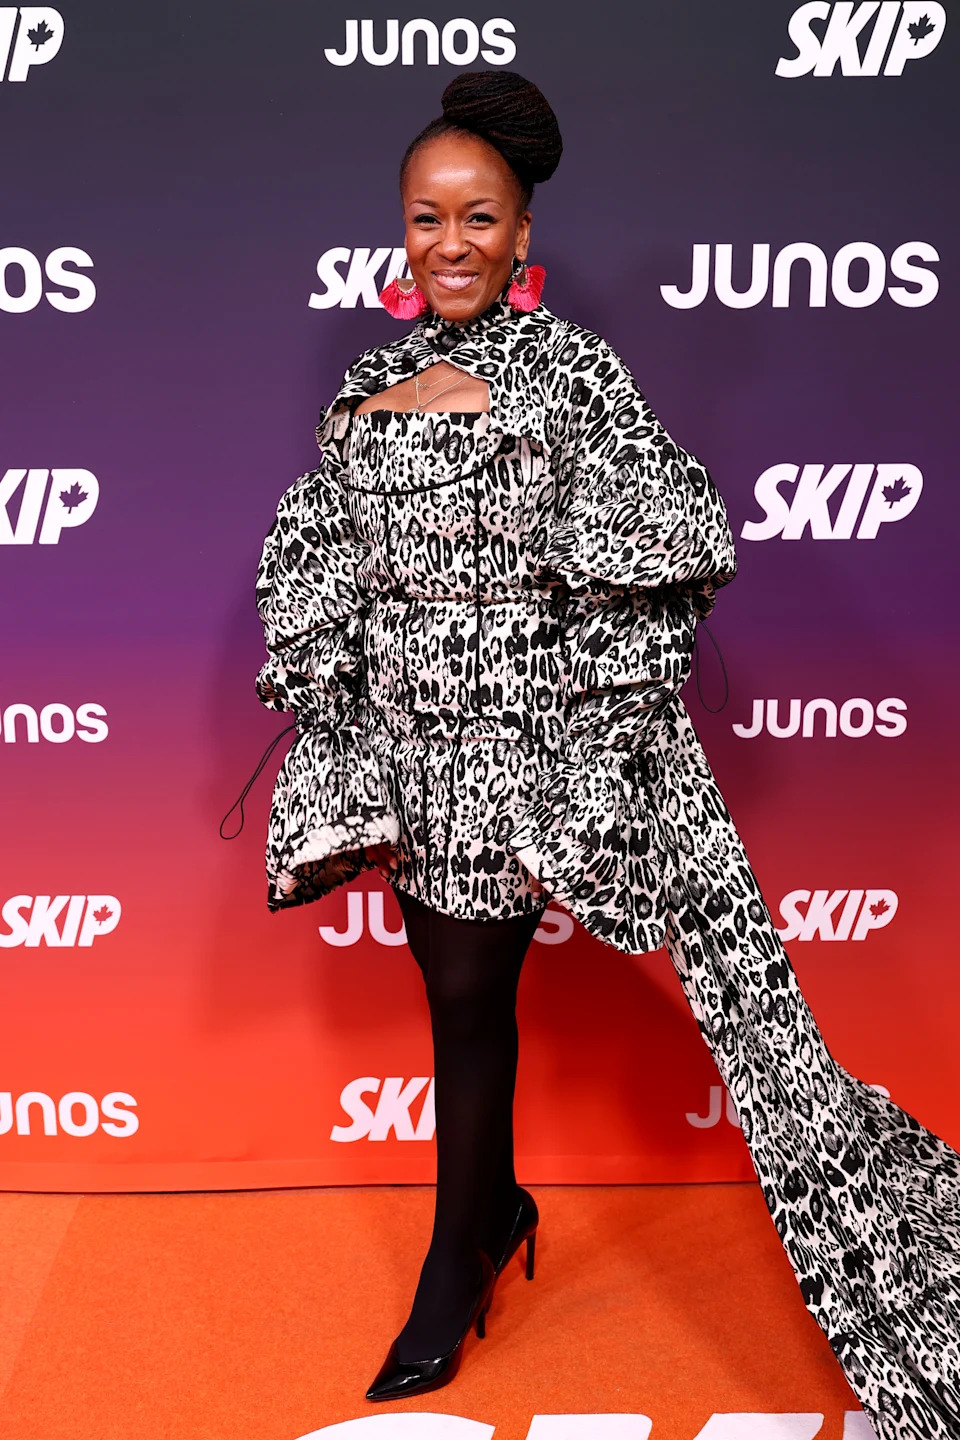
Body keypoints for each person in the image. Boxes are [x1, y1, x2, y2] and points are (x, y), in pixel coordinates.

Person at [253, 70, 960, 1436]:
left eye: (479, 219)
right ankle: (485, 1220)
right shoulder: (366, 381)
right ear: (399, 233)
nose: (449, 244)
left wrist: (579, 751)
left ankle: (461, 1253)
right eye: (424, 218)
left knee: (496, 995)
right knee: (456, 999)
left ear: (525, 240)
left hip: (536, 745)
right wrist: (342, 718)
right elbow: (324, 553)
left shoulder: (577, 375)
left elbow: (650, 566)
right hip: (413, 748)